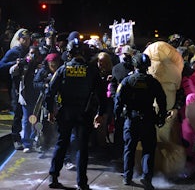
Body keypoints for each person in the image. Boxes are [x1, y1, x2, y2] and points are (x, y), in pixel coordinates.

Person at [45, 38, 107, 190]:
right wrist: (100, 113)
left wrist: (50, 110)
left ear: (69, 54)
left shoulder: (63, 69)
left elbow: (50, 92)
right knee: (82, 148)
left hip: (65, 112)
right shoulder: (91, 70)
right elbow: (102, 94)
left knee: (61, 143)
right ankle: (82, 183)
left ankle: (53, 177)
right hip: (84, 113)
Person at [114, 53, 167, 190]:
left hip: (131, 119)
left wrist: (117, 116)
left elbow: (118, 101)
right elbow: (162, 100)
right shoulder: (153, 82)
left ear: (135, 65)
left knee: (129, 149)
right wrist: (161, 117)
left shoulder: (127, 81)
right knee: (148, 149)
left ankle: (127, 177)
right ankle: (147, 178)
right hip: (148, 119)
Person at [0, 29, 31, 150]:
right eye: (24, 39)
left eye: (28, 39)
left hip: (27, 85)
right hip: (15, 86)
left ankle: (27, 137)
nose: (26, 41)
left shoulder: (28, 51)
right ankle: (16, 138)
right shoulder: (14, 51)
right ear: (19, 39)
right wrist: (15, 62)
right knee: (17, 112)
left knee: (28, 112)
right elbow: (2, 65)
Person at [9, 45, 44, 153]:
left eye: (35, 53)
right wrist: (17, 65)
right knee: (26, 121)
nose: (33, 55)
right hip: (26, 97)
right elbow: (12, 72)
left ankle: (36, 141)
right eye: (31, 53)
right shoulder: (24, 64)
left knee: (37, 121)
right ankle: (27, 143)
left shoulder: (41, 65)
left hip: (38, 97)